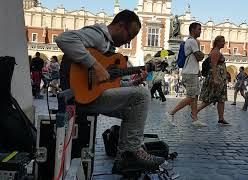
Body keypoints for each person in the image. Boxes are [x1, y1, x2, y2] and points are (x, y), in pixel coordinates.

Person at [55, 10, 165, 174]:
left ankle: (124, 158)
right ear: (120, 25)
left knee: (133, 107)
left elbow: (110, 84)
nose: (130, 40)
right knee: (142, 95)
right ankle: (131, 152)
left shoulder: (109, 49)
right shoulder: (99, 36)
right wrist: (95, 65)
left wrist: (134, 82)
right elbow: (63, 39)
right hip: (80, 95)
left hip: (91, 95)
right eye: (130, 35)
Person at [167, 22, 206, 126]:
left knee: (195, 96)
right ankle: (171, 113)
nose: (200, 31)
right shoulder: (192, 41)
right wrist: (201, 53)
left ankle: (195, 119)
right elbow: (199, 56)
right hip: (190, 73)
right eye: (199, 29)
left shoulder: (190, 41)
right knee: (191, 97)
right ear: (193, 30)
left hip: (191, 72)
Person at [196, 36, 229, 124]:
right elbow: (213, 66)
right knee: (210, 98)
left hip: (220, 78)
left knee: (221, 99)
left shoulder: (217, 51)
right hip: (216, 78)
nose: (224, 43)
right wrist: (215, 78)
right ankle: (195, 111)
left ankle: (221, 118)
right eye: (222, 41)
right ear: (217, 42)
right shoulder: (215, 52)